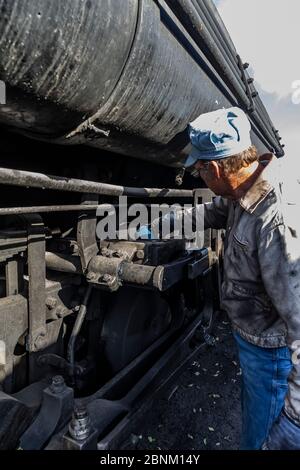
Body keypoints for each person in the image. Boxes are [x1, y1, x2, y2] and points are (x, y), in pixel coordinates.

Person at [182, 107, 300, 450]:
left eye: (200, 169)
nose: (200, 176)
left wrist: (294, 420)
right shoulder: (241, 191)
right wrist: (151, 227)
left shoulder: (275, 221)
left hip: (272, 355)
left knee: (260, 440)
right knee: (255, 423)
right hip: (254, 343)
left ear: (217, 168)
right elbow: (207, 212)